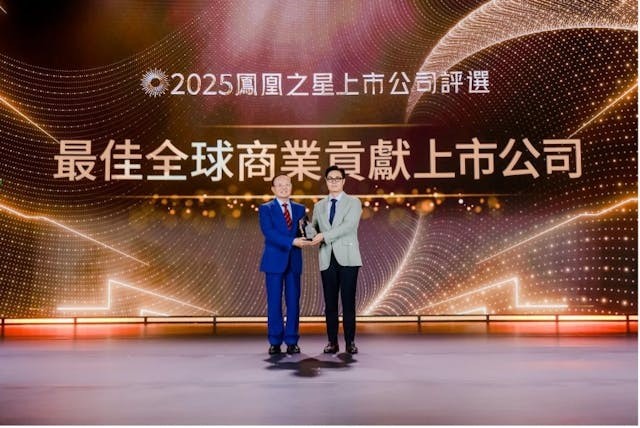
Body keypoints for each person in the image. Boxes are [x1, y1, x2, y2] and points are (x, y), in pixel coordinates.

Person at [311, 166, 362, 354]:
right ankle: (332, 342)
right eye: (330, 179)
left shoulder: (354, 202)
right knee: (330, 303)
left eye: (337, 178)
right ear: (326, 181)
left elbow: (348, 226)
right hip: (327, 257)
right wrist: (307, 232)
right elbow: (314, 227)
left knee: (348, 302)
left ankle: (350, 342)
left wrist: (323, 236)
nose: (333, 181)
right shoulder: (319, 205)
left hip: (348, 258)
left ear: (343, 181)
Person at [259, 174, 310, 355]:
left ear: (291, 187)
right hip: (274, 261)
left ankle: (292, 340)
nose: (283, 187)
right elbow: (269, 232)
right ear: (273, 189)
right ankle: (274, 341)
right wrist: (292, 242)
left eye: (287, 184)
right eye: (279, 185)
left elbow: (305, 229)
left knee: (293, 302)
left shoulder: (300, 208)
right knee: (274, 303)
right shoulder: (266, 208)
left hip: (294, 261)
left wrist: (311, 236)